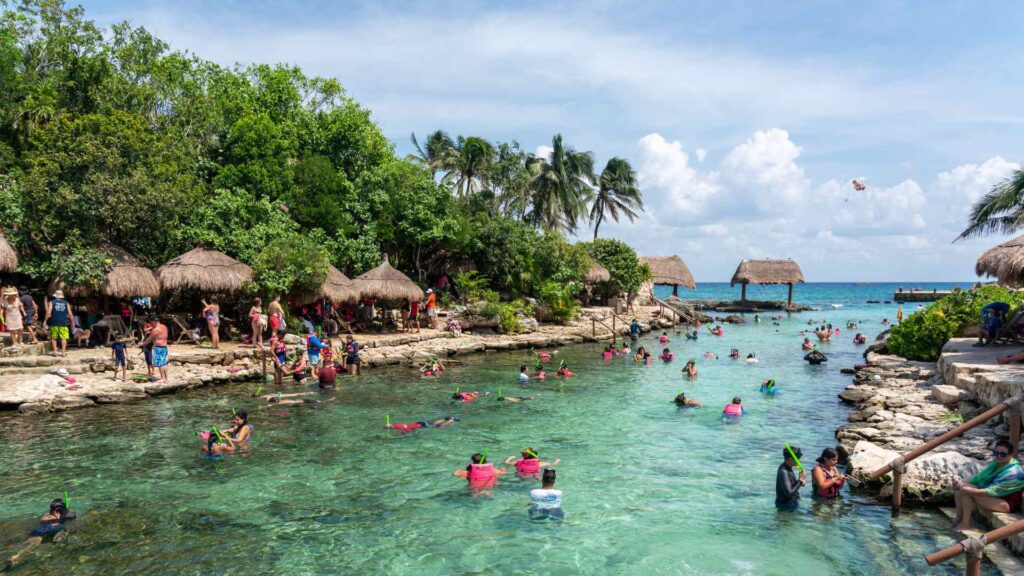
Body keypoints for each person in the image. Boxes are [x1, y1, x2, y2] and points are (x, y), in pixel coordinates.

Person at [951, 439, 1024, 531]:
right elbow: (977, 480)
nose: (998, 456)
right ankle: (959, 518)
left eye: (1003, 454)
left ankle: (966, 523)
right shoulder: (996, 464)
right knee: (960, 488)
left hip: (1006, 504)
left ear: (1010, 455)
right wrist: (959, 483)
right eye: (996, 453)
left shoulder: (1014, 472)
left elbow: (994, 491)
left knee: (966, 491)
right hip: (995, 497)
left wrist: (968, 489)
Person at [8, 498, 77, 564]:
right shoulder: (63, 516)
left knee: (32, 544)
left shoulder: (45, 516)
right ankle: (55, 540)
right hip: (54, 528)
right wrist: (71, 513)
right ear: (57, 511)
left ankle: (16, 556)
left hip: (38, 530)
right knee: (63, 530)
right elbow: (71, 517)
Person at [139, 316, 169, 382]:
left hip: (159, 348)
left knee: (160, 363)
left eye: (151, 322)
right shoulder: (164, 327)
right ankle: (166, 378)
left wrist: (141, 344)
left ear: (154, 321)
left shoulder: (155, 330)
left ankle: (162, 378)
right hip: (165, 346)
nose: (151, 323)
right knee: (164, 363)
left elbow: (148, 340)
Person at [44, 290, 74, 356]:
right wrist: (72, 322)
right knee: (64, 337)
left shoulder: (52, 302)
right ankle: (63, 352)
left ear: (55, 296)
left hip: (54, 322)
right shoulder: (66, 303)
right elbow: (70, 314)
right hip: (63, 323)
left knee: (54, 337)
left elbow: (48, 313)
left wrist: (45, 321)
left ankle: (55, 352)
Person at [776, 445, 806, 510]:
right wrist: (800, 480)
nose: (799, 461)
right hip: (785, 506)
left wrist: (800, 482)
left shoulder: (788, 467)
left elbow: (791, 486)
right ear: (790, 459)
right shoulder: (784, 471)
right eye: (798, 459)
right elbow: (789, 494)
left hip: (790, 503)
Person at [386, 416, 457, 433]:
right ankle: (445, 419)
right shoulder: (396, 425)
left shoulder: (399, 428)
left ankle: (451, 420)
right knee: (433, 423)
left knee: (439, 426)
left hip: (422, 424)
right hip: (420, 424)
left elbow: (407, 429)